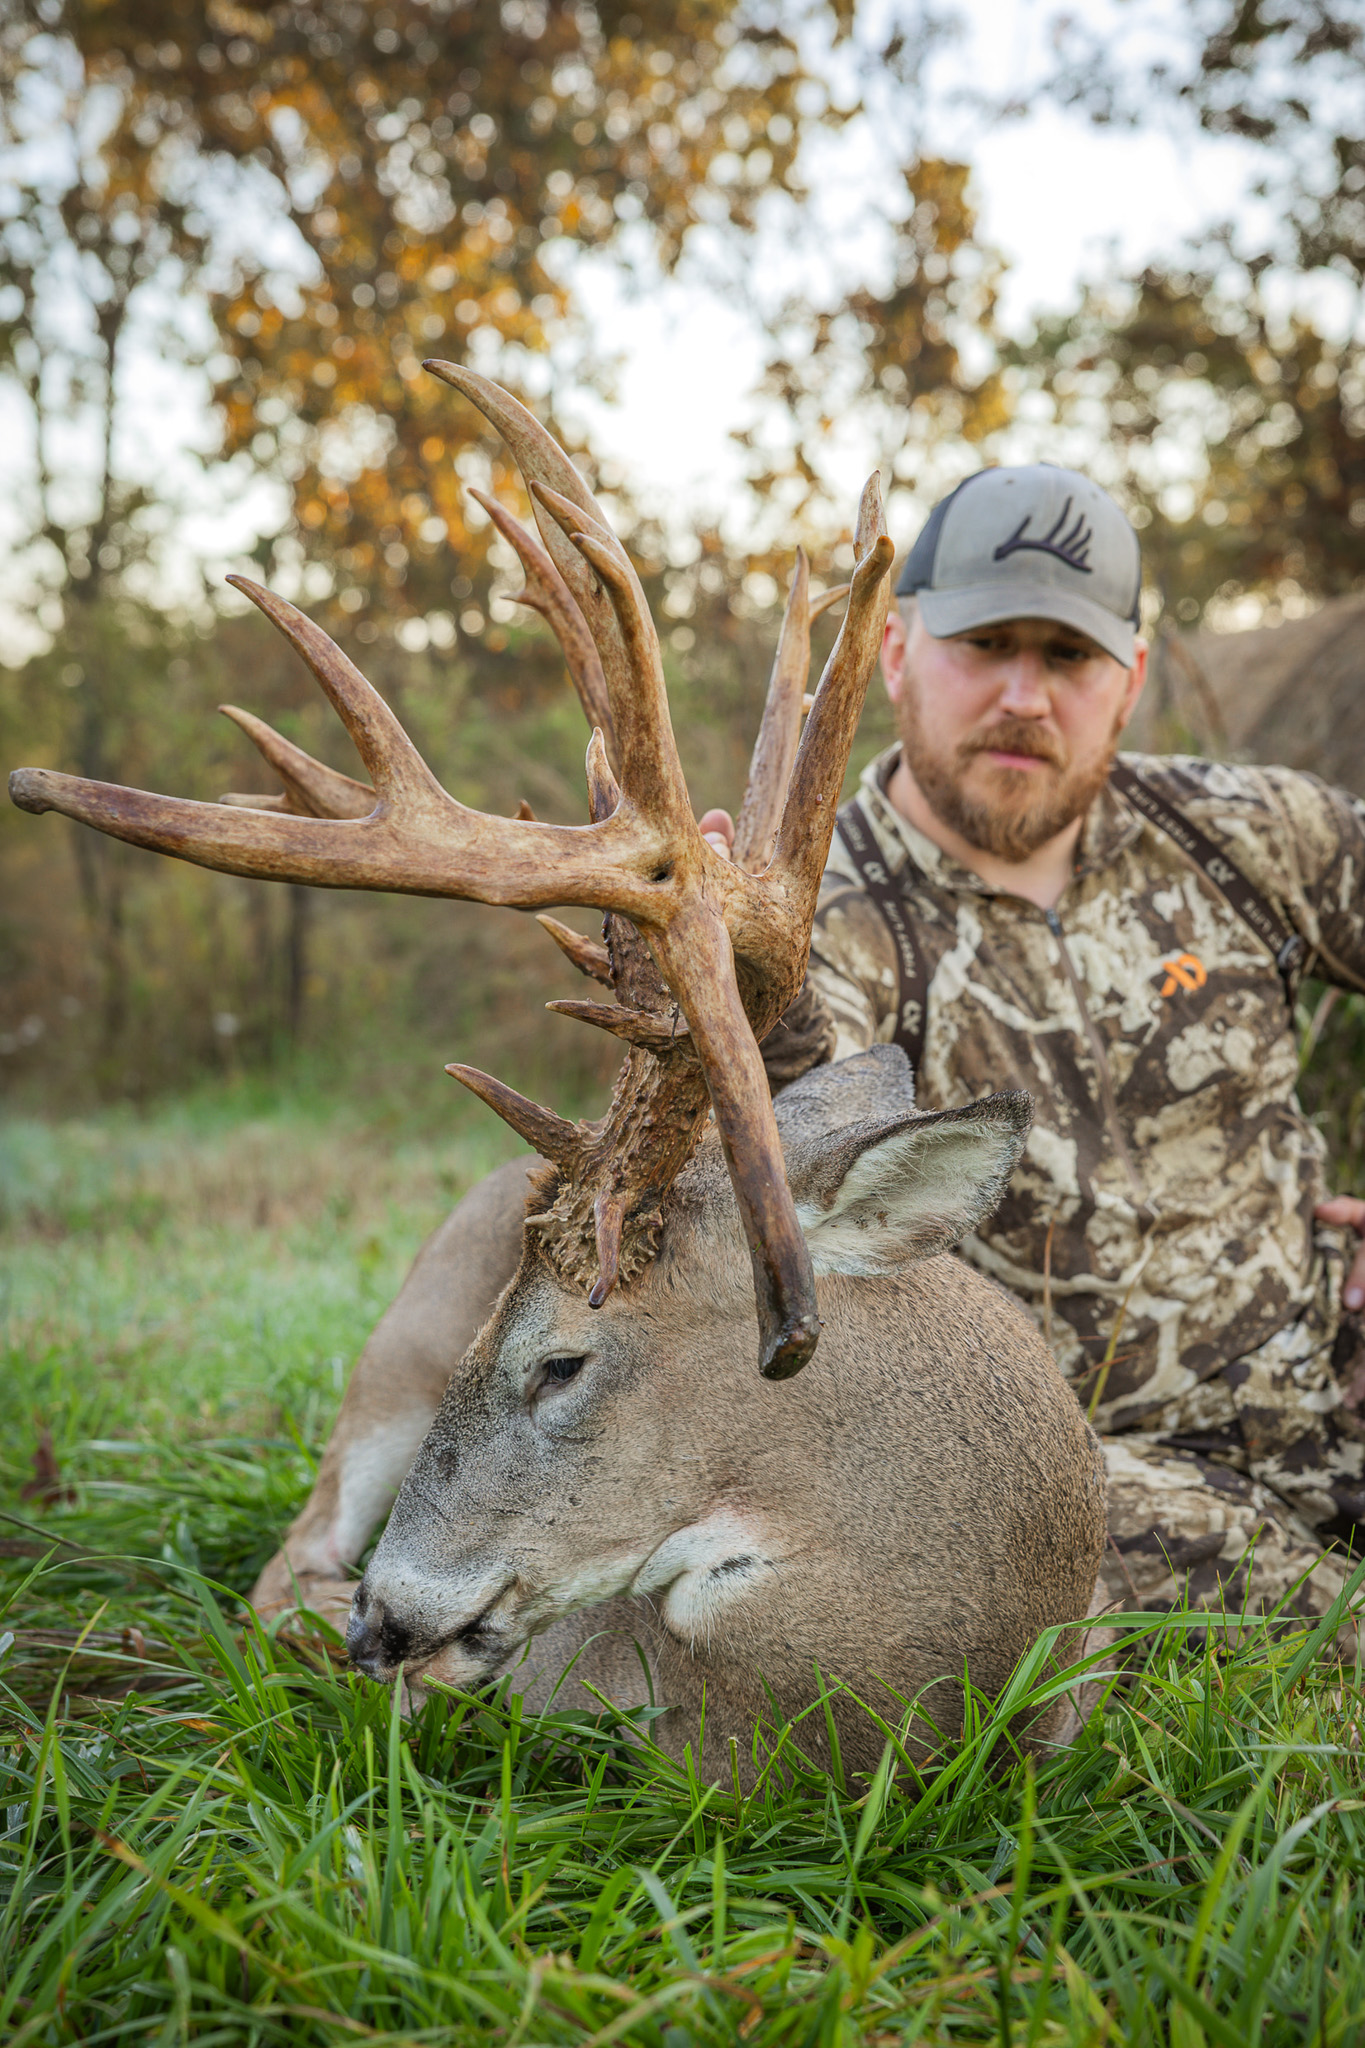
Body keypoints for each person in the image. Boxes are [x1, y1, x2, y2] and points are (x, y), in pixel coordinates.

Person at [254, 462, 1365, 1633]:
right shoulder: (813, 915)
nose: (1027, 695)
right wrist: (718, 983)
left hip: (1327, 1376)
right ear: (896, 654)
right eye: (985, 645)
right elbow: (750, 1225)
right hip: (1062, 1461)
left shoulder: (1250, 834)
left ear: (1129, 681)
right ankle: (324, 1563)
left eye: (1070, 655)